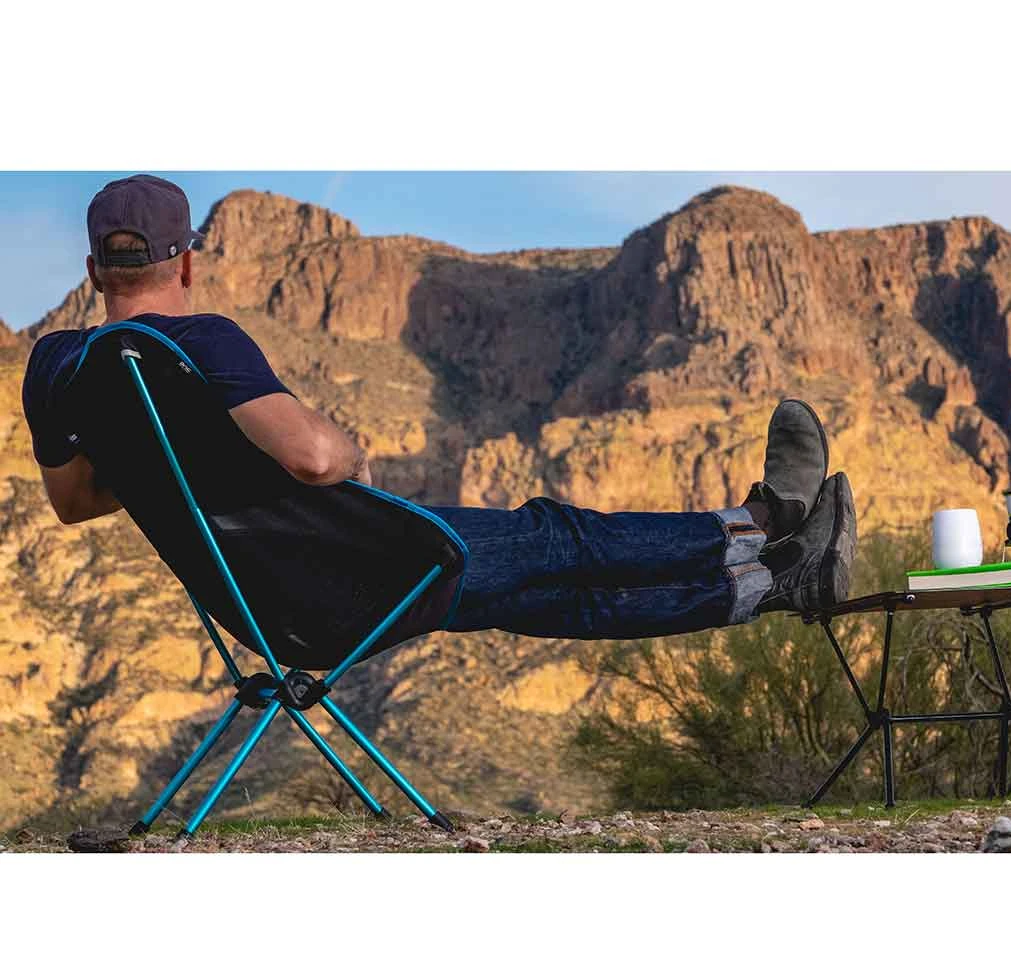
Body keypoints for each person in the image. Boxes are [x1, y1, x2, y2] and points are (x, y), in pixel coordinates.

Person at [21, 175, 857, 652]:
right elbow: (313, 458)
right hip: (357, 583)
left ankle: (777, 584)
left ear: (93, 269)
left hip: (265, 621)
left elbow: (74, 504)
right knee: (556, 536)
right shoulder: (199, 340)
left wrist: (160, 458)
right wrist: (352, 449)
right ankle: (761, 521)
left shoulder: (57, 367)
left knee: (544, 597)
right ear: (188, 263)